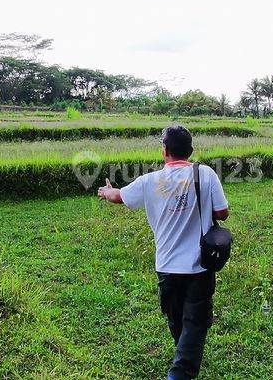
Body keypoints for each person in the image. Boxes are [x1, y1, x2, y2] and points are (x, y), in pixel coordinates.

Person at [97, 125, 229, 380]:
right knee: (193, 323)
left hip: (166, 266)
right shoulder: (206, 174)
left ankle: (183, 358)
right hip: (199, 266)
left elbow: (118, 197)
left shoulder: (149, 181)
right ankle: (180, 370)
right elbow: (222, 212)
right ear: (190, 151)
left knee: (176, 317)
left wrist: (106, 191)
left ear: (164, 151)